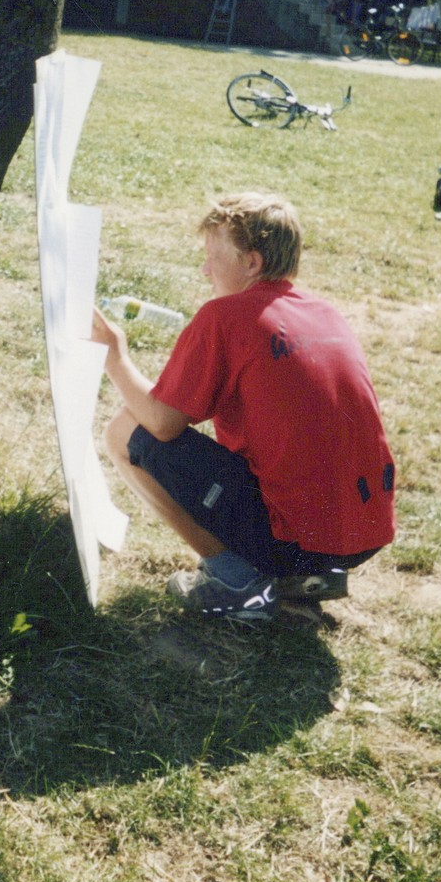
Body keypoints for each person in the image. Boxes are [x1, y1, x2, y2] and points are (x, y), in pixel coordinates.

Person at [90, 191, 395, 623]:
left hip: (300, 540)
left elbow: (160, 422)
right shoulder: (325, 312)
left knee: (125, 431)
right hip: (363, 535)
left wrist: (115, 357)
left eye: (212, 258)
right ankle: (296, 578)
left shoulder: (226, 315)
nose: (205, 270)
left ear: (251, 262)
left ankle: (237, 583)